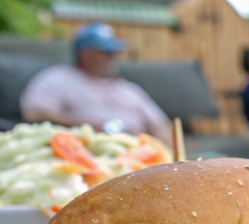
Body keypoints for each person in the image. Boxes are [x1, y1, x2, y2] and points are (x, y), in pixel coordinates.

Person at [20, 23, 171, 143]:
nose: (114, 58)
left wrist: (171, 159)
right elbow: (34, 113)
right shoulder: (57, 78)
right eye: (108, 53)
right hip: (91, 151)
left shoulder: (128, 89)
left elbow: (160, 123)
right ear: (85, 54)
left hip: (141, 152)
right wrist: (91, 127)